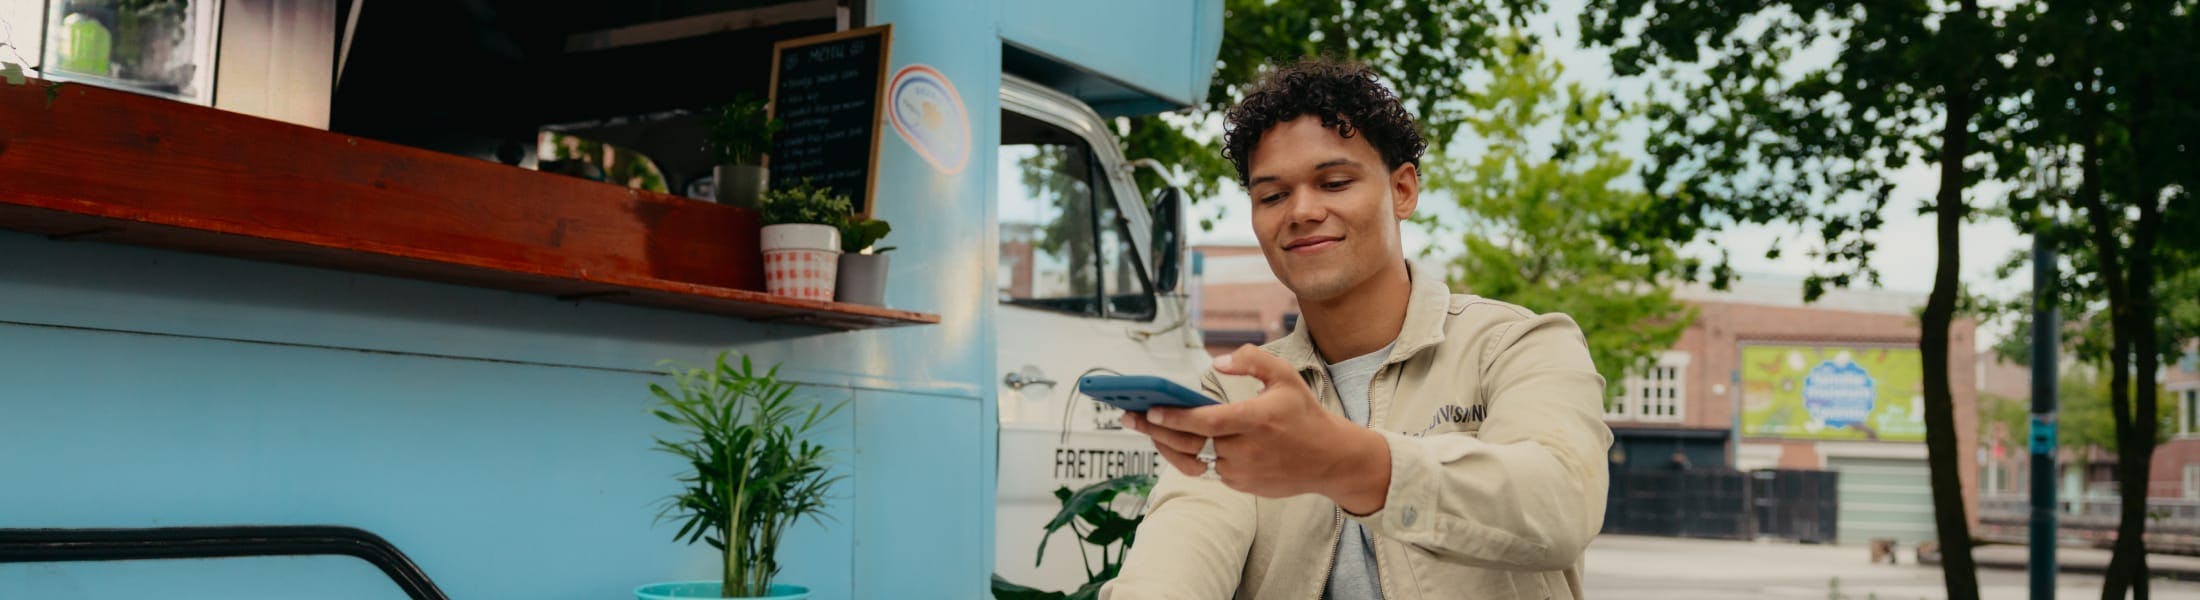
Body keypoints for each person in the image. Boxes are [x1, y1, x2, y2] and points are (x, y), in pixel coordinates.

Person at [1100, 58, 1614, 600]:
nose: (1301, 211)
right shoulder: (1237, 392)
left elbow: (1560, 502)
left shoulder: (1517, 345)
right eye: (1272, 196)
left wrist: (1344, 461)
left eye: (1335, 182)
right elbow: (1175, 560)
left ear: (1403, 191)